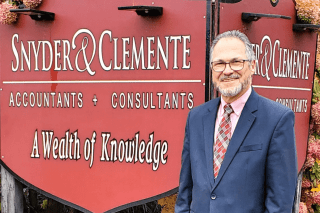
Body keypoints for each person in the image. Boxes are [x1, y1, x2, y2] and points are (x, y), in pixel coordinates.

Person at [175, 30, 297, 213]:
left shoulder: (277, 119)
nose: (227, 70)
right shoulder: (196, 117)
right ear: (212, 68)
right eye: (219, 63)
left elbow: (279, 204)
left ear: (253, 65)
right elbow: (185, 191)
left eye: (236, 62)